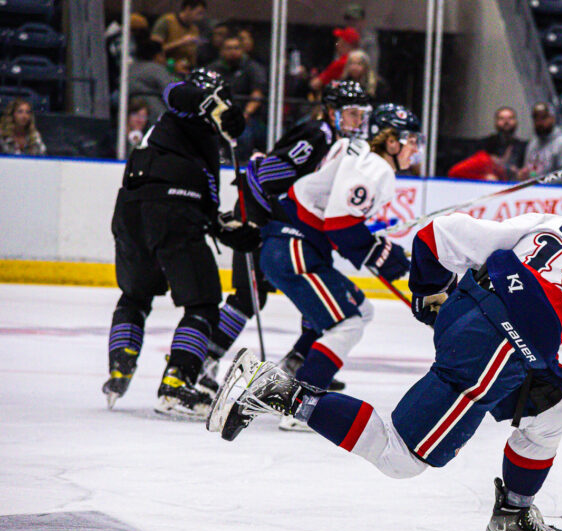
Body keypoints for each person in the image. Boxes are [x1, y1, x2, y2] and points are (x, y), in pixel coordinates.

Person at [207, 176, 562, 531]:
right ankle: (275, 391)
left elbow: (438, 235)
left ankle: (514, 515)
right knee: (400, 457)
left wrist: (428, 293)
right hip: (500, 347)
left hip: (471, 314)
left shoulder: (549, 223)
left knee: (555, 412)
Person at [203, 81, 374, 416]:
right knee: (247, 296)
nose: (357, 121)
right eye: (351, 114)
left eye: (361, 115)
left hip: (285, 229)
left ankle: (299, 367)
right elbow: (265, 175)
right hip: (263, 223)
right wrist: (256, 218)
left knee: (313, 302)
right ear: (332, 112)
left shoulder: (339, 144)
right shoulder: (318, 136)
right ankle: (204, 361)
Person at [243, 103, 415, 428]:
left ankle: (286, 376)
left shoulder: (356, 151)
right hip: (294, 247)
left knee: (361, 310)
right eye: (411, 140)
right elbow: (339, 224)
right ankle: (301, 403)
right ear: (391, 141)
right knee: (345, 323)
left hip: (293, 245)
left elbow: (334, 220)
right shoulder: (373, 167)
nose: (415, 148)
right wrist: (378, 253)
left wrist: (375, 248)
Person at [102, 68, 255, 418]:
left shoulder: (184, 135)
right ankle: (177, 383)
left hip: (131, 214)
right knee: (202, 304)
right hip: (171, 215)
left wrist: (230, 233)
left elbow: (204, 207)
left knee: (135, 296)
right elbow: (177, 93)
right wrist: (211, 104)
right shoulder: (186, 109)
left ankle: (119, 369)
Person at [208, 31, 268, 160]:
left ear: (243, 50)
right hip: (217, 116)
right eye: (228, 48)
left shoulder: (253, 68)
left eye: (236, 48)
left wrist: (245, 114)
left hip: (245, 117)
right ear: (221, 51)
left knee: (243, 136)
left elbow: (257, 94)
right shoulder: (213, 69)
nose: (233, 52)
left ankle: (240, 166)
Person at [447, 106, 527, 182]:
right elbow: (458, 172)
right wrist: (483, 177)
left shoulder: (524, 147)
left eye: (510, 118)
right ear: (496, 122)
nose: (506, 122)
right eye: (502, 118)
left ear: (516, 122)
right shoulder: (483, 145)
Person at [129, 39, 179, 124]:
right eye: (163, 55)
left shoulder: (130, 69)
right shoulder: (156, 69)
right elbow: (171, 92)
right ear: (157, 56)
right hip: (153, 110)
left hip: (129, 108)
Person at [518, 103, 562, 180]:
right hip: (533, 189)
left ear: (552, 119)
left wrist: (542, 183)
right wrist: (524, 174)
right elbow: (529, 169)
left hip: (553, 190)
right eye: (536, 118)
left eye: (543, 118)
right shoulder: (533, 143)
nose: (539, 122)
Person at [150, 0, 207, 72]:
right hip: (164, 67)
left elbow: (192, 56)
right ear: (188, 9)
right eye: (199, 13)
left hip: (184, 68)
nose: (200, 17)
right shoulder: (167, 21)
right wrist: (181, 42)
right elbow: (153, 50)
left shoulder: (194, 29)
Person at [308, 27, 361, 94]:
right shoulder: (361, 60)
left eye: (339, 41)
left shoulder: (341, 62)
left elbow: (315, 84)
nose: (337, 44)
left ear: (344, 44)